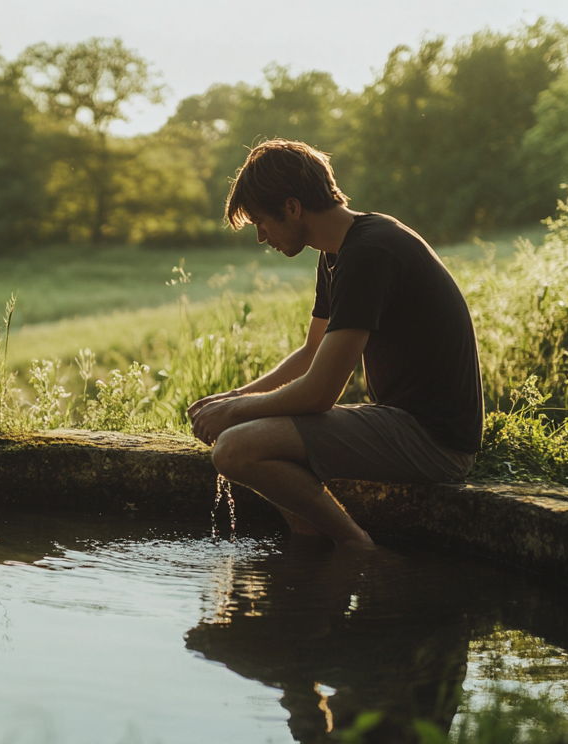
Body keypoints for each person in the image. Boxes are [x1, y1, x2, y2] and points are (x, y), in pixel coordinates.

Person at [188, 138, 483, 547]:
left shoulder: (370, 252)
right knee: (243, 432)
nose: (261, 236)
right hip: (403, 422)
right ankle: (310, 545)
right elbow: (312, 353)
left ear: (292, 208)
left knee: (235, 449)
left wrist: (235, 412)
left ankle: (356, 548)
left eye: (261, 221)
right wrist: (234, 397)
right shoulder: (338, 252)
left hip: (434, 441)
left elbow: (320, 392)